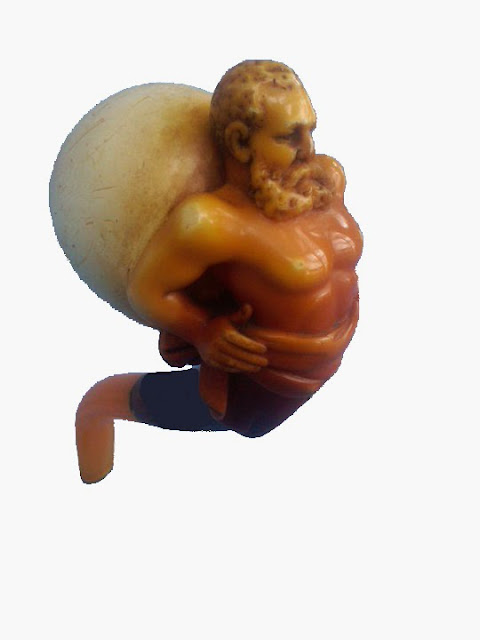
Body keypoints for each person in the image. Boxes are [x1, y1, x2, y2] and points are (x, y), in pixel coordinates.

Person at [76, 60, 363, 483]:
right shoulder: (209, 222)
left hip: (322, 369)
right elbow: (147, 292)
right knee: (102, 401)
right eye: (289, 136)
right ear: (240, 142)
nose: (308, 150)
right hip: (254, 392)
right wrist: (203, 332)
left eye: (310, 130)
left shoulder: (324, 181)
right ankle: (93, 433)